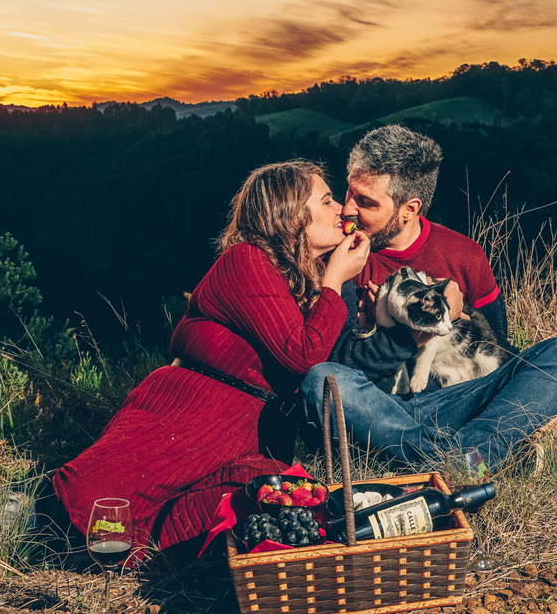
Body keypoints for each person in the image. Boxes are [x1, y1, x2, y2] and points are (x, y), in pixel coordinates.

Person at [52, 160, 370, 561]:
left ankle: (146, 557)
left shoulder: (301, 279)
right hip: (190, 416)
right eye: (327, 200)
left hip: (249, 434)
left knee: (238, 510)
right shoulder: (246, 260)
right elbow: (301, 355)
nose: (342, 209)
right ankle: (19, 518)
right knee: (92, 503)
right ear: (289, 214)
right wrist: (335, 281)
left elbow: (330, 359)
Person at [298, 125, 557, 469]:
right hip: (382, 407)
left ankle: (456, 452)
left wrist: (529, 393)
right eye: (348, 193)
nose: (347, 209)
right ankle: (477, 451)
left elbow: (496, 348)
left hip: (451, 399)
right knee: (322, 382)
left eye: (365, 202)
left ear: (409, 209)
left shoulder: (463, 255)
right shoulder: (338, 258)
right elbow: (341, 368)